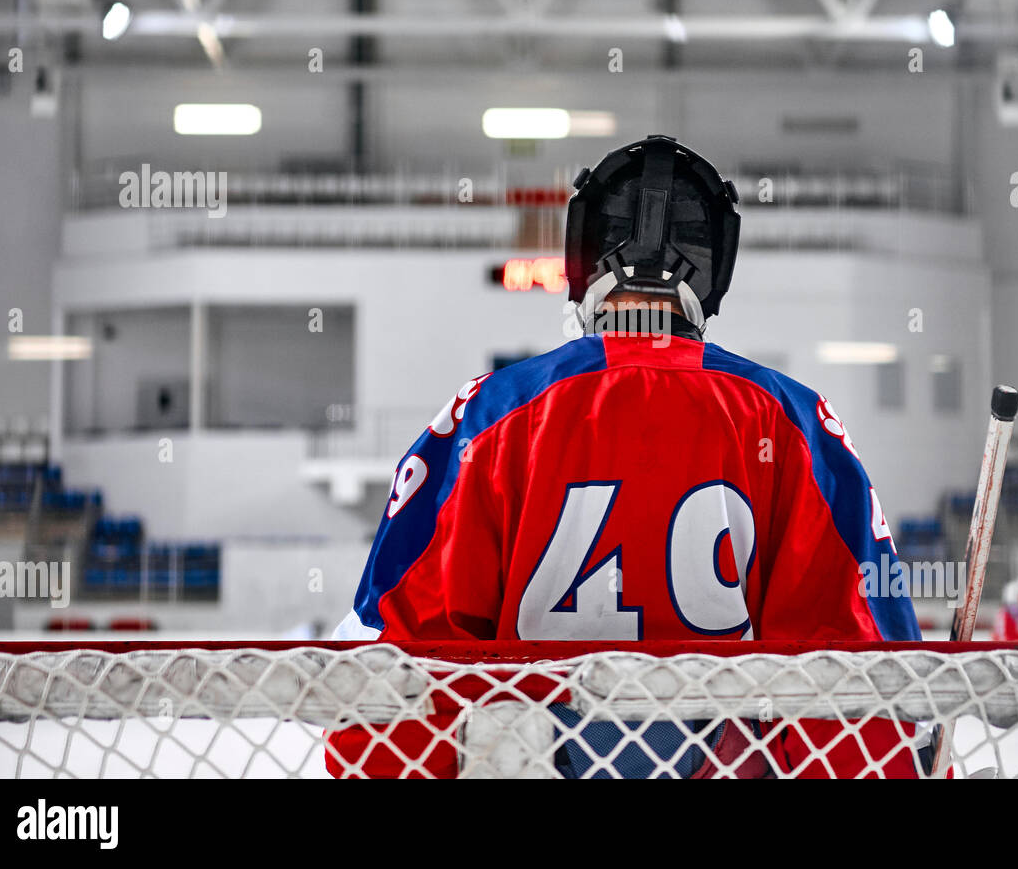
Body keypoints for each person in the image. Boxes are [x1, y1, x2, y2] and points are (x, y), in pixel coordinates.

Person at [327, 134, 923, 778]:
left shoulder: (490, 413)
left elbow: (398, 662)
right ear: (714, 271)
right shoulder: (796, 421)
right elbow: (854, 672)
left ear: (582, 265)